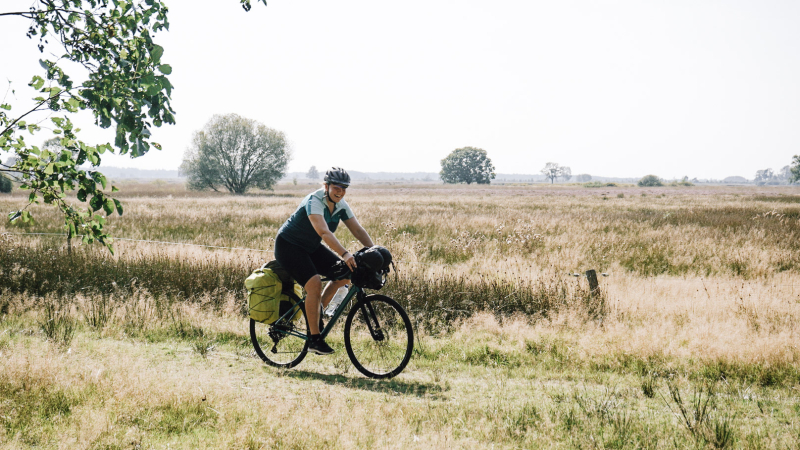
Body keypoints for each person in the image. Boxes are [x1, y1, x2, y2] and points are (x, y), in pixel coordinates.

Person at [274, 167, 374, 355]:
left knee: (344, 277)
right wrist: (345, 254)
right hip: (289, 246)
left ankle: (316, 310)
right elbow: (323, 232)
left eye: (344, 188)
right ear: (326, 186)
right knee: (314, 285)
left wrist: (375, 250)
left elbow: (358, 230)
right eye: (337, 187)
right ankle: (314, 339)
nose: (341, 192)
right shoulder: (314, 201)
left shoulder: (341, 204)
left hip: (310, 247)